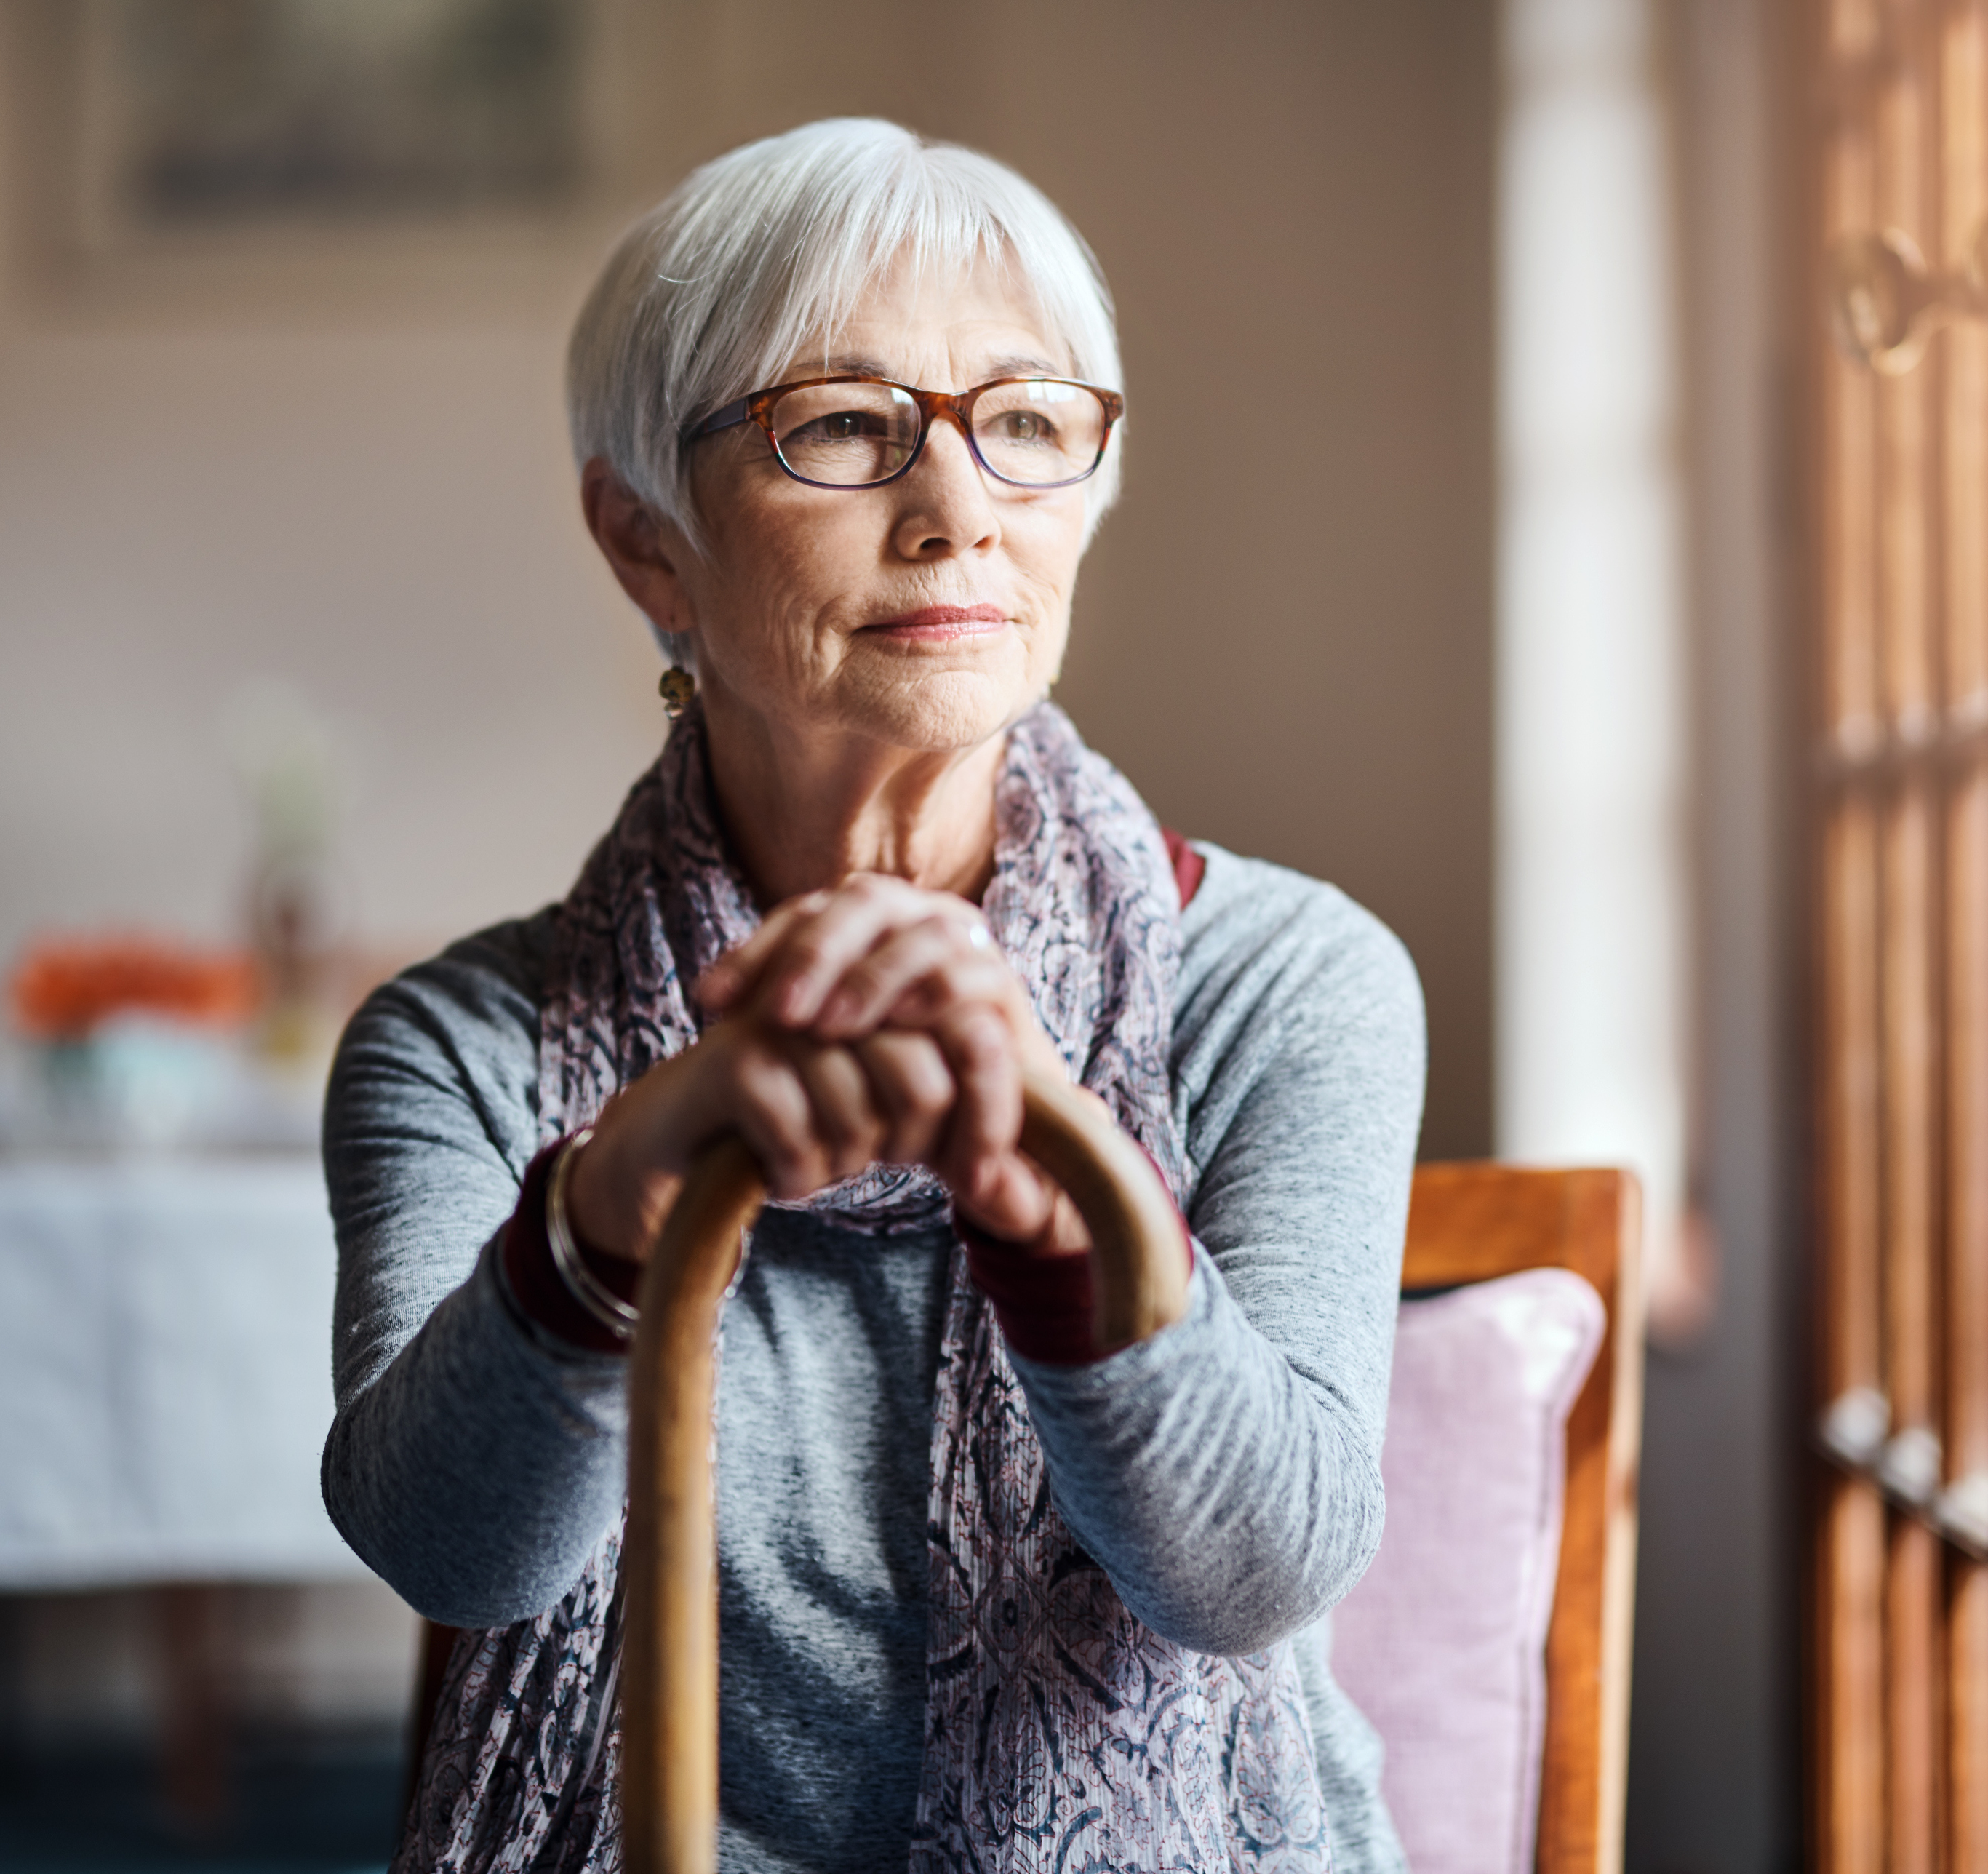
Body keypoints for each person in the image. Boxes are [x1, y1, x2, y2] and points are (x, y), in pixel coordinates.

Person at [322, 118, 1425, 1874]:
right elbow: (452, 1551)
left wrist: (1040, 1179)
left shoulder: (1288, 977)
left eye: (1029, 423)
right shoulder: (459, 1045)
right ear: (647, 542)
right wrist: (613, 1204)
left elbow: (1251, 1573)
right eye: (842, 426)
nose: (959, 509)